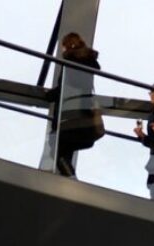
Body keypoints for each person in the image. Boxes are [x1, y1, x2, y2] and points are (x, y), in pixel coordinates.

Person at [53, 33, 104, 177]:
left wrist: (49, 95)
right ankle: (69, 179)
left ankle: (70, 179)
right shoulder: (89, 61)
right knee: (65, 148)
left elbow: (63, 88)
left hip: (70, 112)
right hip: (83, 112)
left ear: (67, 46)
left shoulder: (70, 61)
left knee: (58, 148)